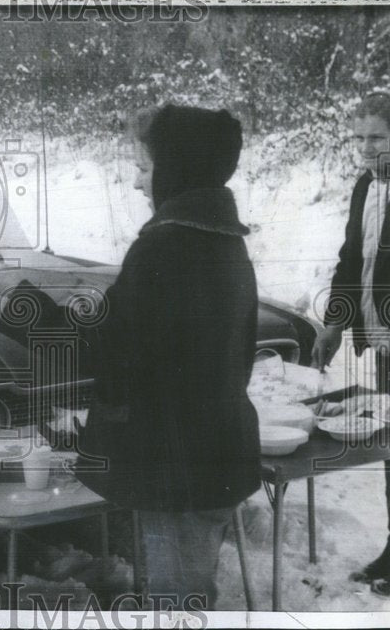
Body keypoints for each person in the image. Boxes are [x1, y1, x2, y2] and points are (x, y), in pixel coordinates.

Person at [79, 104, 260, 611]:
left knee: (173, 601)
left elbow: (120, 361)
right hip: (218, 453)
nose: (138, 184)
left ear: (175, 169)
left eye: (143, 167)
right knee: (192, 590)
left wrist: (66, 325)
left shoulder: (164, 246)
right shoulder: (226, 241)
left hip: (173, 466)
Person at [311, 90, 390, 597]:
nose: (366, 148)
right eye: (359, 138)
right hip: (383, 342)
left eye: (378, 138)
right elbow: (350, 261)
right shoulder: (365, 185)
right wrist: (334, 324)